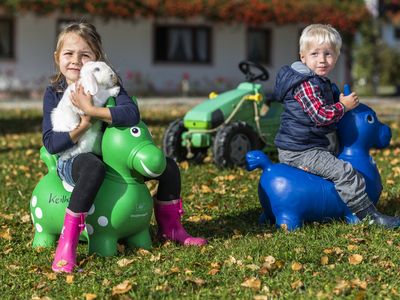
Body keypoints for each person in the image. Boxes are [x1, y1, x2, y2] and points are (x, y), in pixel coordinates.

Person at [42, 22, 206, 273]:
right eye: (68, 53)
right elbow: (52, 143)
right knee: (93, 168)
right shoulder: (54, 93)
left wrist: (92, 110)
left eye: (85, 54)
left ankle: (171, 228)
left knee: (169, 166)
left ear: (96, 58)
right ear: (57, 58)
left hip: (116, 159)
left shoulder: (110, 86)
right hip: (74, 158)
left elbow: (131, 113)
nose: (76, 60)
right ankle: (68, 243)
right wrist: (83, 125)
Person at [273, 24, 400, 229]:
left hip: (306, 144)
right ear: (303, 57)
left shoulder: (318, 80)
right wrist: (343, 106)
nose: (322, 59)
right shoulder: (306, 84)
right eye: (314, 53)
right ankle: (368, 216)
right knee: (345, 172)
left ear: (337, 55)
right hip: (300, 150)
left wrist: (336, 98)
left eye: (328, 54)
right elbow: (321, 116)